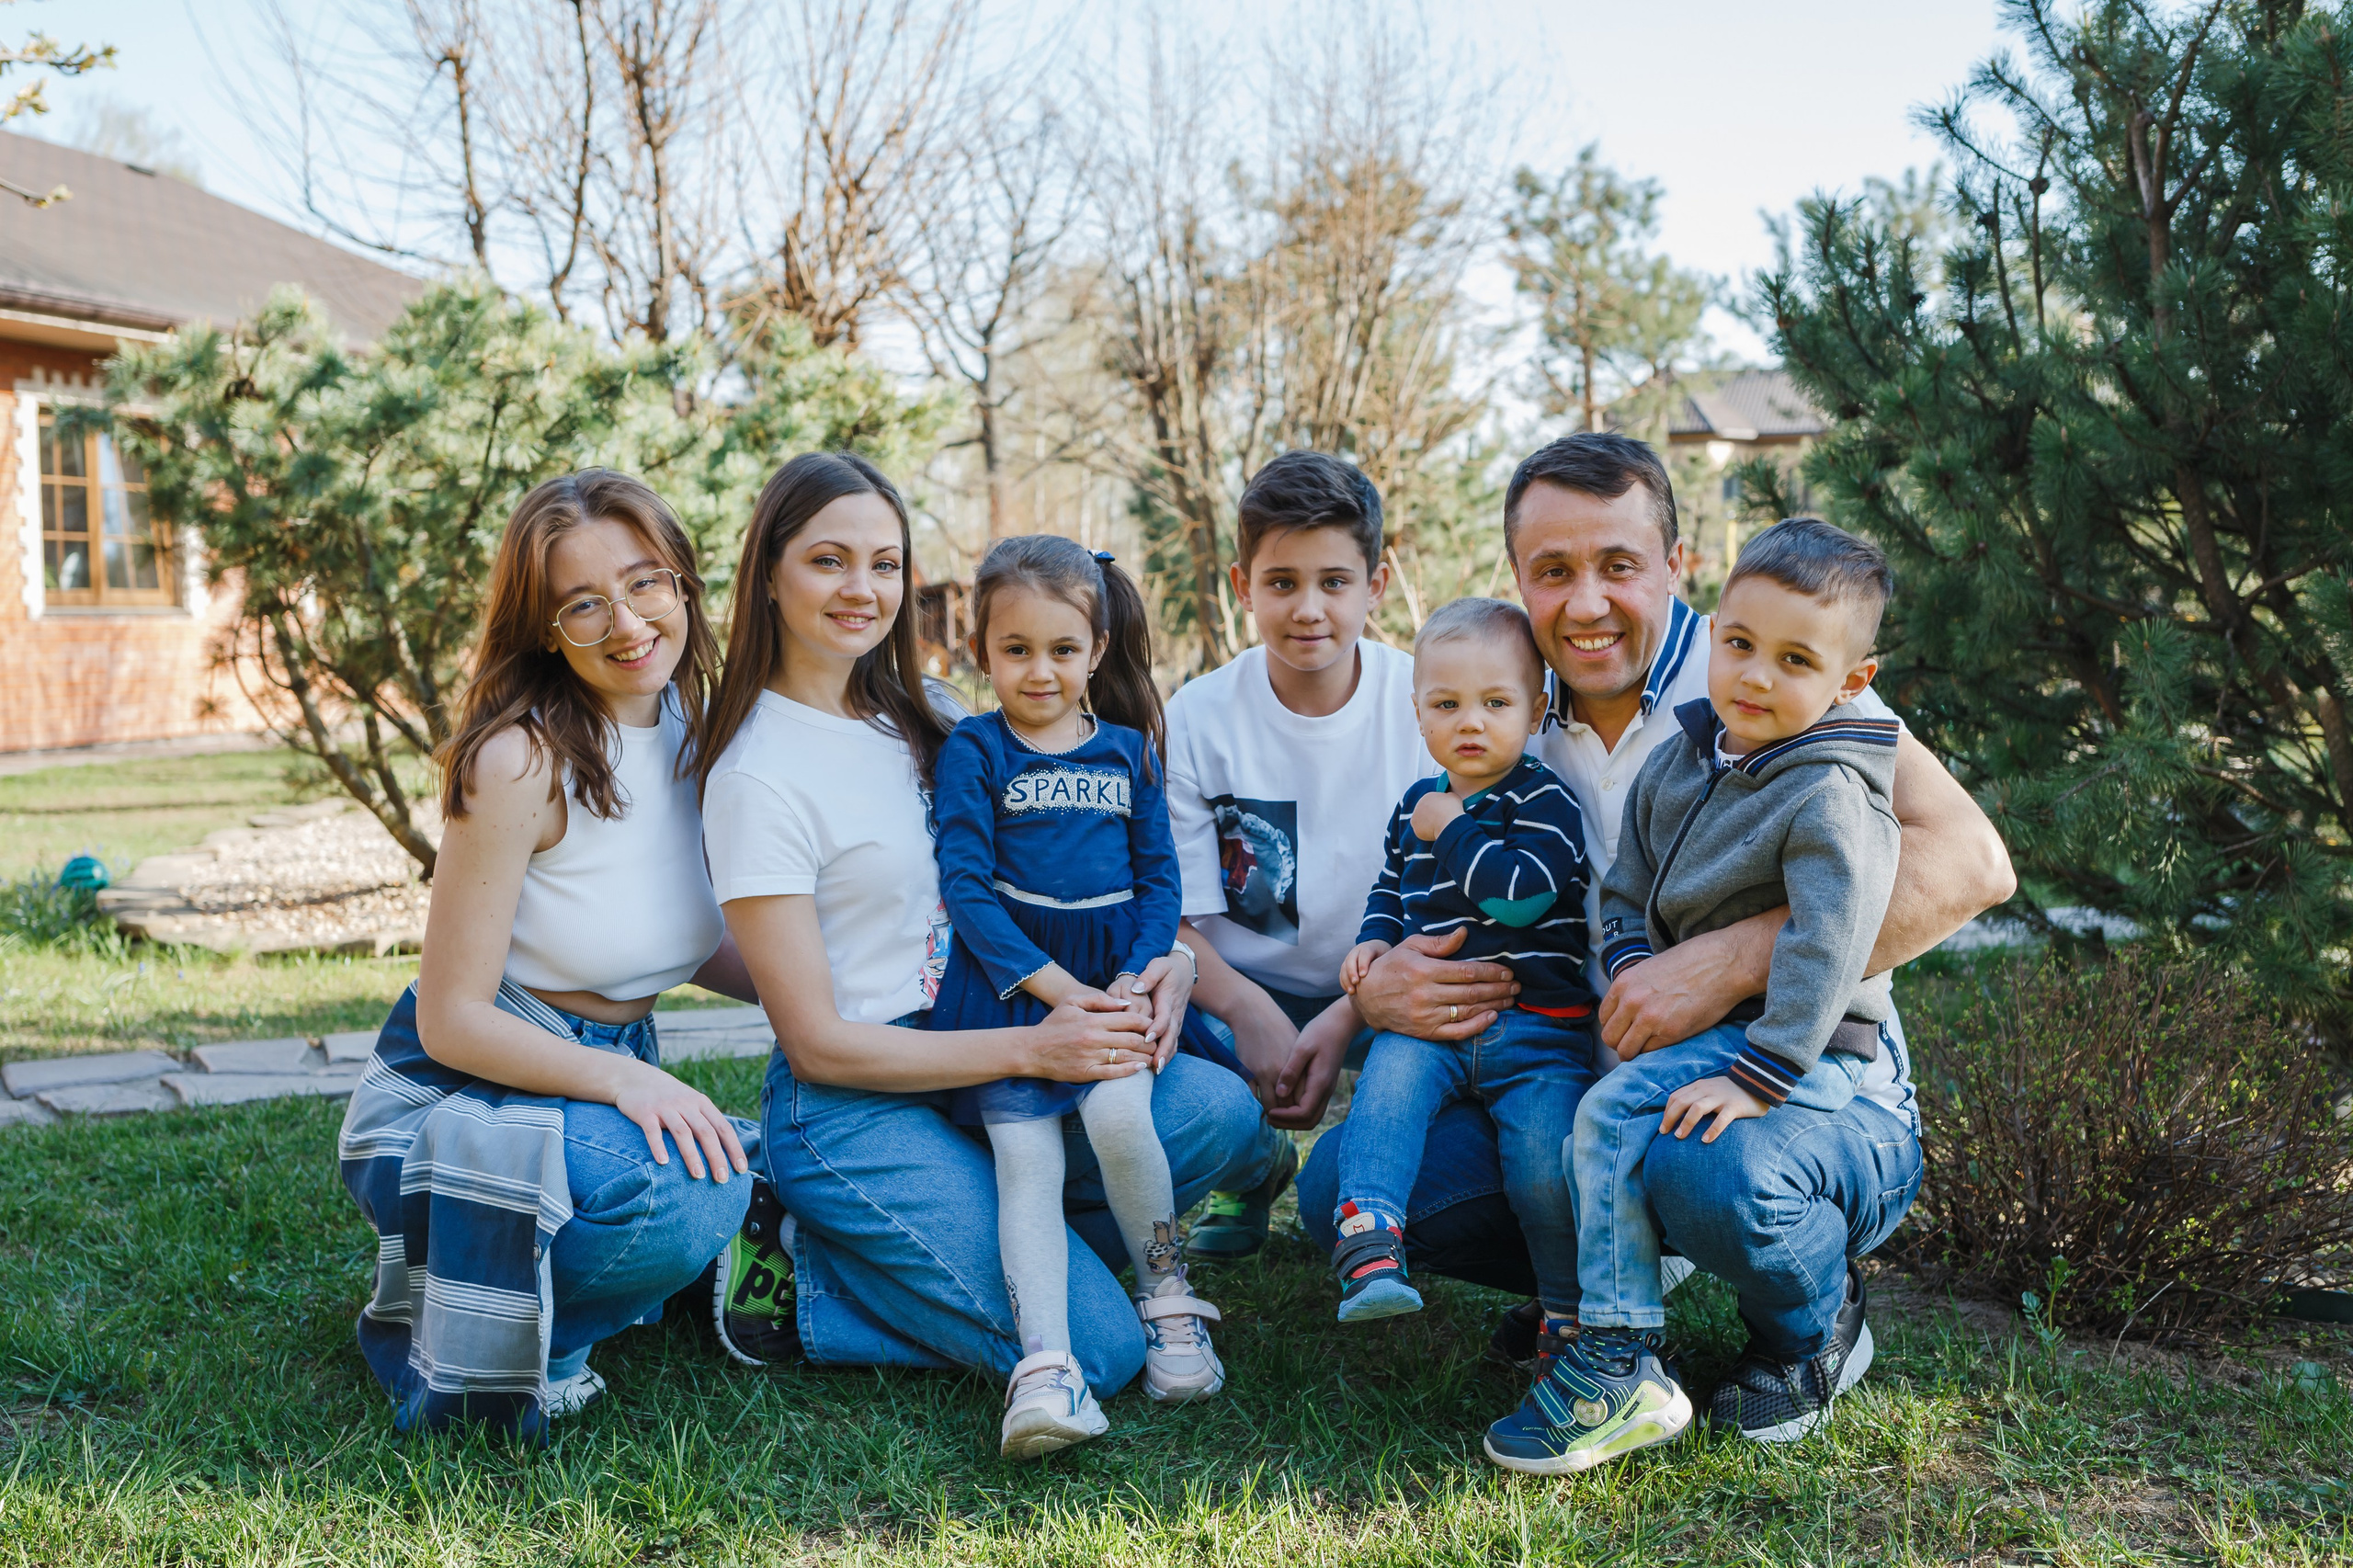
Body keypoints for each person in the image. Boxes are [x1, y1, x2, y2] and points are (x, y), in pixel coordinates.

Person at [1298, 432, 2018, 1444]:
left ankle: (1811, 1324)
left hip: (1793, 1084)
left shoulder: (1767, 671)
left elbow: (1974, 862)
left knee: (1706, 1168)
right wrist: (1373, 995)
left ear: (1676, 567)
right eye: (1554, 571)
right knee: (1346, 1180)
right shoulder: (1499, 701)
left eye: (1618, 565)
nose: (1585, 603)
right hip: (1572, 1080)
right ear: (1518, 579)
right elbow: (1418, 872)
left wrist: (1724, 960)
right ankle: (1588, 1304)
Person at [697, 454, 1275, 1435]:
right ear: (768, 573)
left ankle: (978, 1238)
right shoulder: (758, 771)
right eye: (828, 560)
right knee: (1100, 1348)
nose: (861, 588)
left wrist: (1164, 966)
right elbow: (818, 1043)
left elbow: (1068, 870)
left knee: (1213, 1110)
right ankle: (804, 1266)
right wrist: (1033, 1046)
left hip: (990, 1039)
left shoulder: (934, 713)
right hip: (858, 1096)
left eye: (884, 562)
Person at [337, 470, 759, 1438]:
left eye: (646, 581)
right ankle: (538, 1347)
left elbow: (672, 935)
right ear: (543, 628)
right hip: (466, 1089)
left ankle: (576, 1272)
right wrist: (623, 1080)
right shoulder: (518, 759)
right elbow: (453, 1017)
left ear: (684, 584)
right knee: (698, 1184)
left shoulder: (692, 731)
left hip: (590, 1072)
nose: (627, 621)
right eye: (583, 603)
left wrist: (821, 999)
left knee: (773, 1149)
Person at [1483, 518, 1903, 1473]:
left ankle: (1618, 1352)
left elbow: (1826, 945)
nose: (1755, 675)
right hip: (1714, 1038)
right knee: (1608, 1115)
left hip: (1799, 1051)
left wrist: (1763, 1073)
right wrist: (1631, 966)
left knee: (1611, 1112)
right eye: (1741, 644)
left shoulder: (1831, 792)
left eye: (1795, 659)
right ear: (1713, 630)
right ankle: (1612, 1313)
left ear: (1849, 681)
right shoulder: (1688, 754)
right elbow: (1624, 884)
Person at [928, 534, 1228, 1457]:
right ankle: (1046, 1363)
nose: (1040, 670)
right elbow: (966, 886)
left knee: (1121, 1122)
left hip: (1111, 985)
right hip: (1015, 988)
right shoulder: (975, 750)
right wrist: (1057, 992)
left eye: (1062, 649)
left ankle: (1168, 1298)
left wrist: (1133, 981)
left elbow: (1160, 885)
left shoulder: (1130, 751)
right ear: (982, 650)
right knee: (1027, 1165)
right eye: (1015, 649)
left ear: (1095, 648)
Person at [1165, 452, 1435, 1261]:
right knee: (1153, 1021)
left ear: (1376, 584)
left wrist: (1354, 1009)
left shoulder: (1426, 704)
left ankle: (1383, 1187)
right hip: (1244, 992)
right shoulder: (1199, 717)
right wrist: (1247, 1011)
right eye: (1282, 582)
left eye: (1334, 582)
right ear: (1243, 584)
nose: (1308, 608)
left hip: (1388, 980)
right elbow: (1171, 915)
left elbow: (1453, 903)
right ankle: (1248, 1165)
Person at [1326, 597, 1595, 1327]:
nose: (1469, 721)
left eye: (1495, 702)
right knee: (1384, 1096)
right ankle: (1370, 1241)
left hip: (1539, 1034)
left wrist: (1451, 829)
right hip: (1431, 1027)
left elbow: (1520, 899)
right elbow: (1392, 888)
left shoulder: (1544, 801)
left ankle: (1566, 1315)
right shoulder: (1416, 805)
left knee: (1544, 1169)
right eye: (1446, 703)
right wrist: (1374, 941)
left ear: (1536, 710)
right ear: (1419, 713)